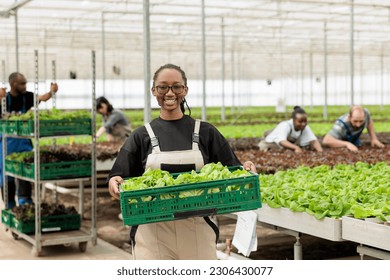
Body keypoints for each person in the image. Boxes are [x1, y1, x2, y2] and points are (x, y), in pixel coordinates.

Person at [107, 63, 256, 260]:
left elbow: (233, 171)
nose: (170, 92)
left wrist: (245, 169)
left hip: (197, 229)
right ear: (154, 91)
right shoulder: (141, 136)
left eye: (176, 86)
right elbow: (119, 175)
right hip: (152, 233)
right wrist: (114, 182)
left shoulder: (205, 132)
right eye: (163, 87)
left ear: (185, 90)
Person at [0, 72, 58, 208]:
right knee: (6, 176)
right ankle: (9, 206)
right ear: (13, 84)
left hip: (23, 144)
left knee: (25, 173)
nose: (25, 85)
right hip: (6, 144)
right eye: (22, 83)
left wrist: (52, 92)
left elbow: (43, 98)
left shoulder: (28, 97)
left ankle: (25, 204)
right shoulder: (4, 98)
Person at [258, 106, 323, 153]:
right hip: (271, 144)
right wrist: (296, 148)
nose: (303, 124)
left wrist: (320, 152)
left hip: (285, 147)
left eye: (305, 121)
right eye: (300, 121)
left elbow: (313, 141)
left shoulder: (305, 127)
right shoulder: (286, 125)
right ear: (294, 120)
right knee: (288, 152)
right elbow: (282, 141)